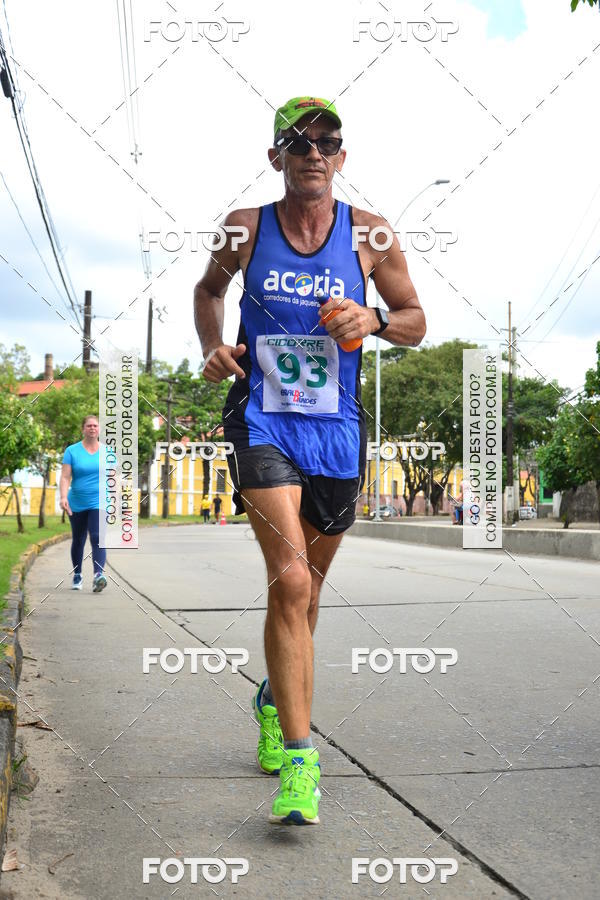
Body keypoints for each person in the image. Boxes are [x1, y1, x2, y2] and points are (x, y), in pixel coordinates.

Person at [194, 96, 425, 825]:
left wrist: (376, 320)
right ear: (277, 158)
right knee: (289, 578)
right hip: (262, 418)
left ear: (342, 157)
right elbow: (208, 291)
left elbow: (417, 321)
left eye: (328, 141)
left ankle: (272, 696)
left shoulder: (372, 235)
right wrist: (212, 345)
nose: (314, 153)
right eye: (299, 143)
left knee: (310, 593)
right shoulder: (246, 227)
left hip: (335, 428)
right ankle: (300, 761)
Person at [59, 415, 107, 592]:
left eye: (95, 426)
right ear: (83, 429)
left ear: (99, 429)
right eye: (89, 426)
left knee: (97, 536)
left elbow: (114, 478)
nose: (92, 428)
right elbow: (65, 477)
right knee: (78, 539)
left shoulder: (107, 452)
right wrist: (63, 497)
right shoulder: (72, 451)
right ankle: (77, 573)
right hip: (77, 501)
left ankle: (98, 576)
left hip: (100, 501)